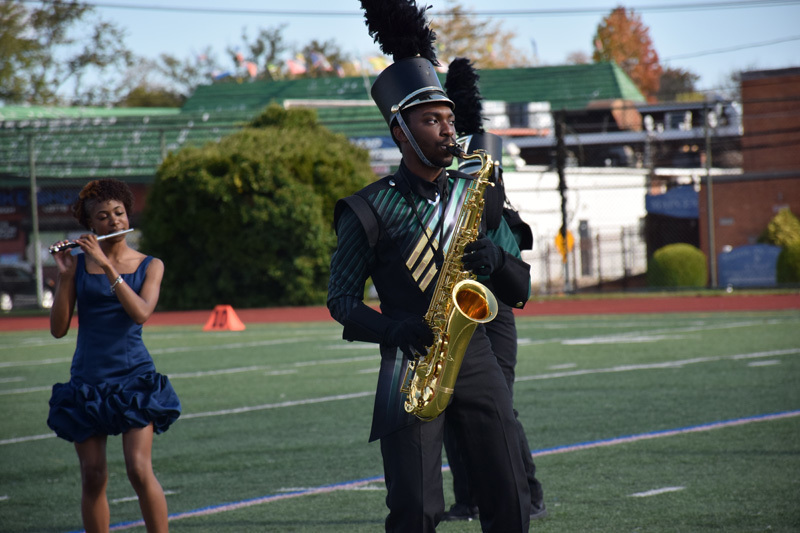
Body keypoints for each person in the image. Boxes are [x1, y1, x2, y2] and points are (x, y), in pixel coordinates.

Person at [328, 2, 533, 531]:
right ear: (401, 131)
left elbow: (521, 289)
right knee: (416, 510)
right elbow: (342, 302)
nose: (448, 130)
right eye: (432, 120)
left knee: (508, 493)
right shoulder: (365, 208)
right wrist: (394, 328)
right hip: (408, 367)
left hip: (479, 358)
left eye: (448, 118)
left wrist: (498, 259)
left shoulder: (476, 192)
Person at [441, 58, 547, 522]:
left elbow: (512, 273)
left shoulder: (493, 205)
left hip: (494, 307)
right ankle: (469, 497)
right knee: (450, 405)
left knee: (497, 405)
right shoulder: (446, 191)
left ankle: (529, 493)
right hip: (453, 305)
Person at [47, 178, 181, 533]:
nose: (114, 222)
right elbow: (58, 329)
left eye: (119, 213)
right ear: (91, 226)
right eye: (104, 217)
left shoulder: (150, 265)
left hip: (133, 379)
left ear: (128, 214)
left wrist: (106, 266)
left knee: (138, 470)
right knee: (93, 476)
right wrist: (64, 277)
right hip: (87, 382)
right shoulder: (76, 266)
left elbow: (140, 313)